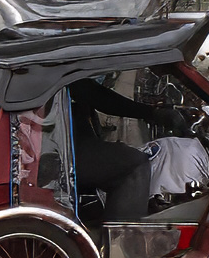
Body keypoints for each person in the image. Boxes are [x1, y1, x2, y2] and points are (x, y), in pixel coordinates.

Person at [67, 76, 187, 221]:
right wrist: (151, 113)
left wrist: (151, 113)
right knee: (133, 166)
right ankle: (123, 241)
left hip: (63, 140)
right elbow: (94, 94)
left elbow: (92, 93)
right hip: (58, 150)